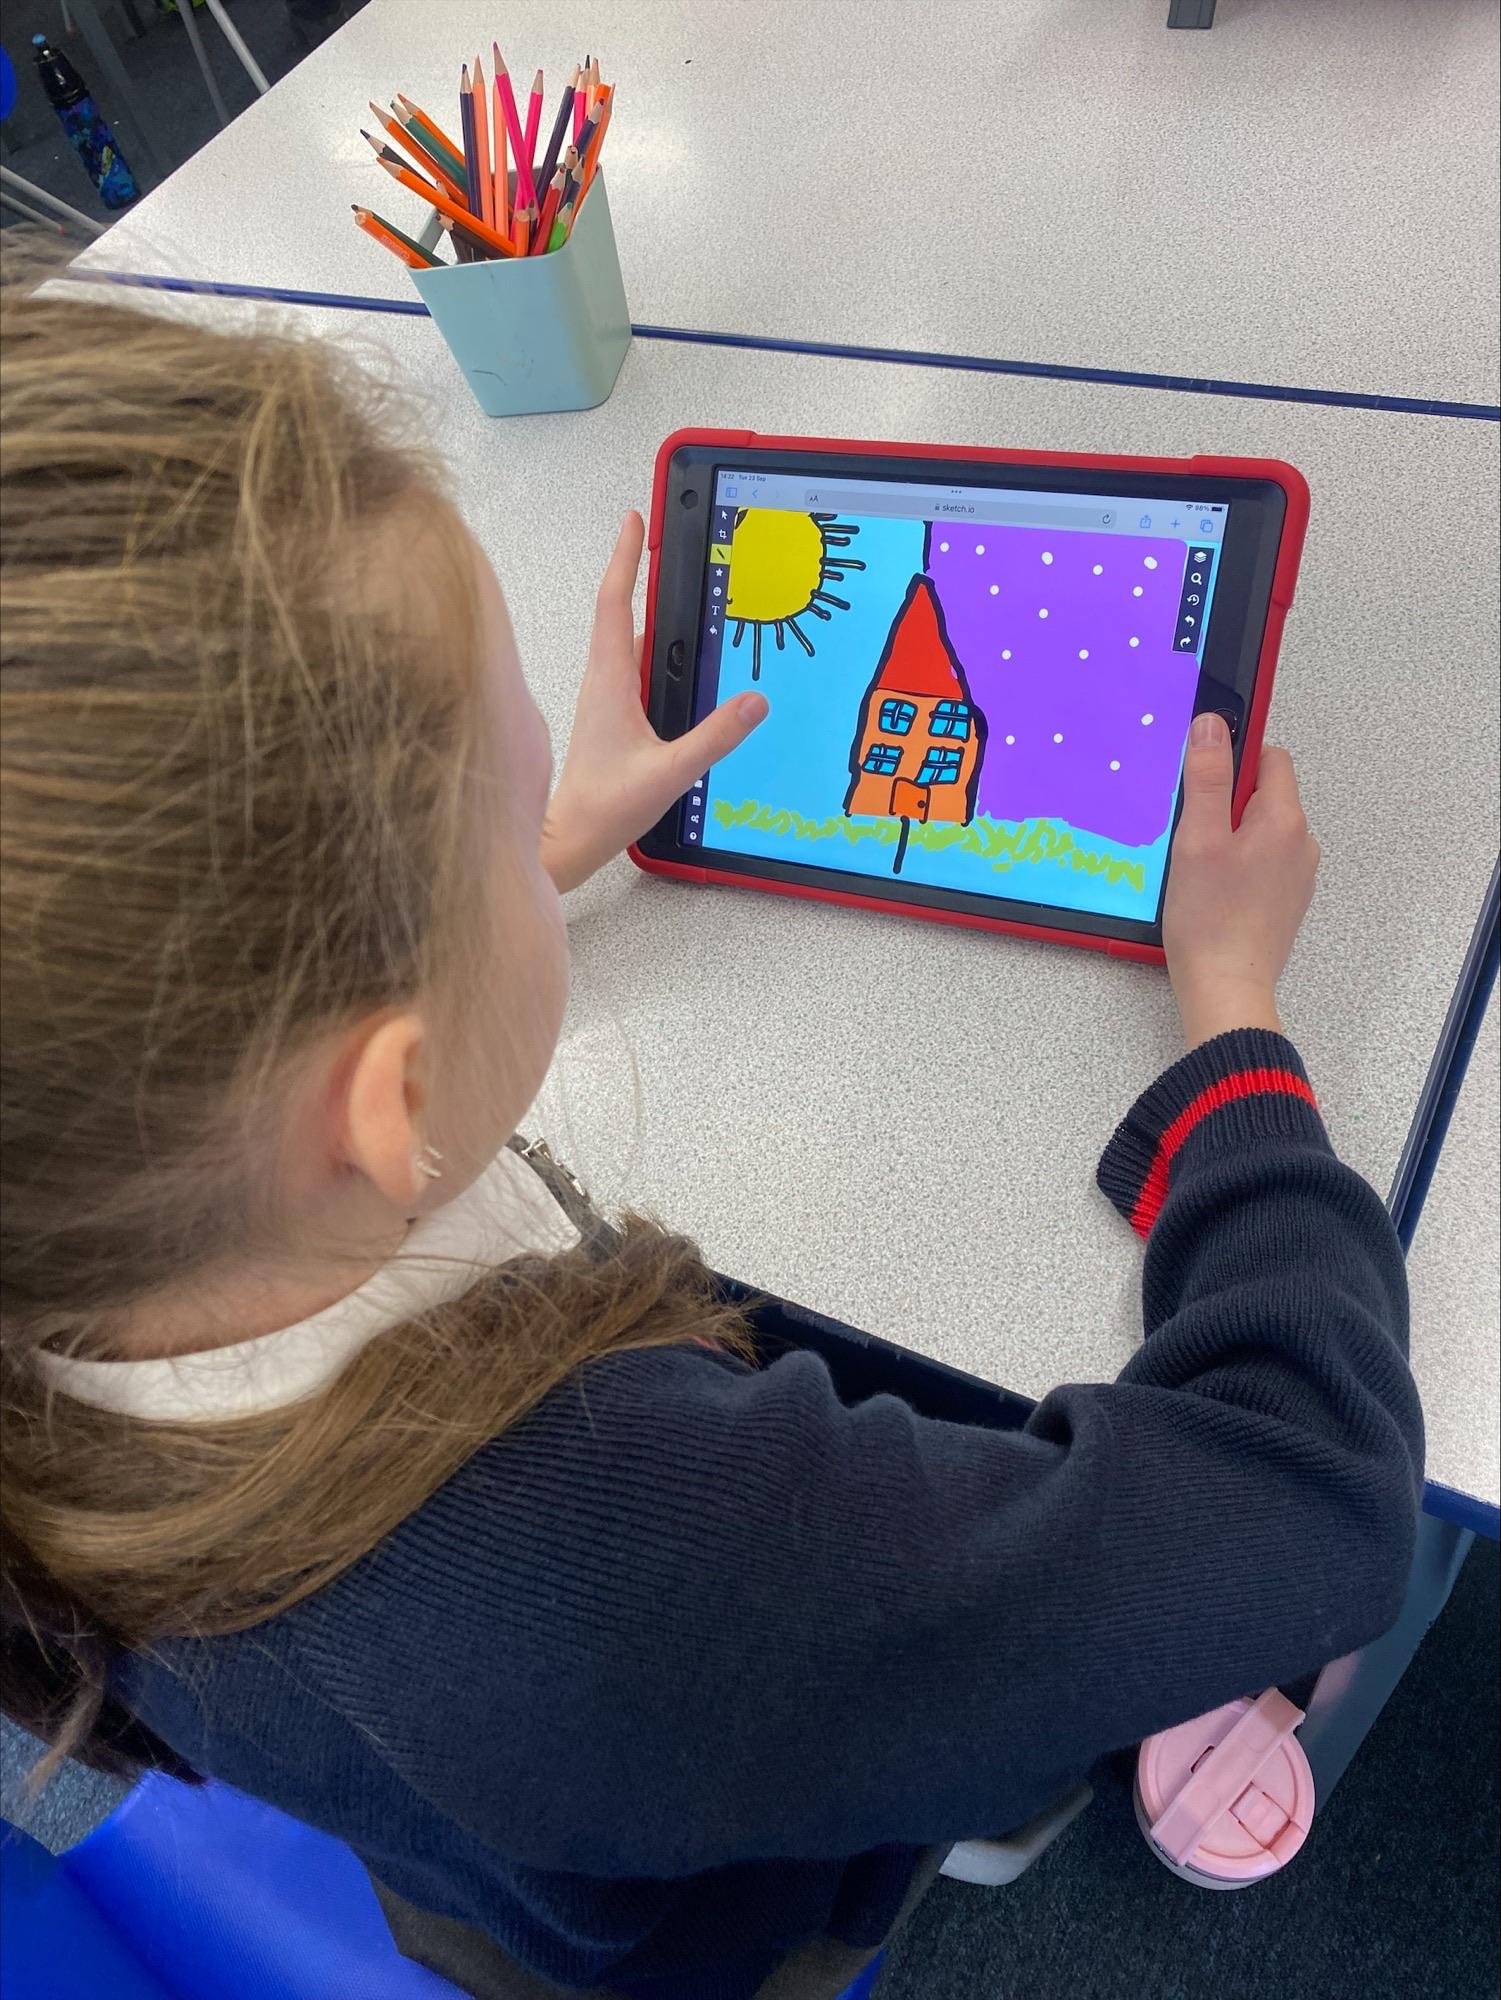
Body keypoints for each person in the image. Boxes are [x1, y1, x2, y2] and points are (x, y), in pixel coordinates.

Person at [0, 286, 1422, 2000]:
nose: (548, 799)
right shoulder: (665, 1571)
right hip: (711, 1902)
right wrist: (1233, 1014)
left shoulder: (73, 1253)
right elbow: (1318, 1505)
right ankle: (980, 1794)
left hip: (465, 1846)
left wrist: (488, 878)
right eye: (511, 788)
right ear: (389, 1100)